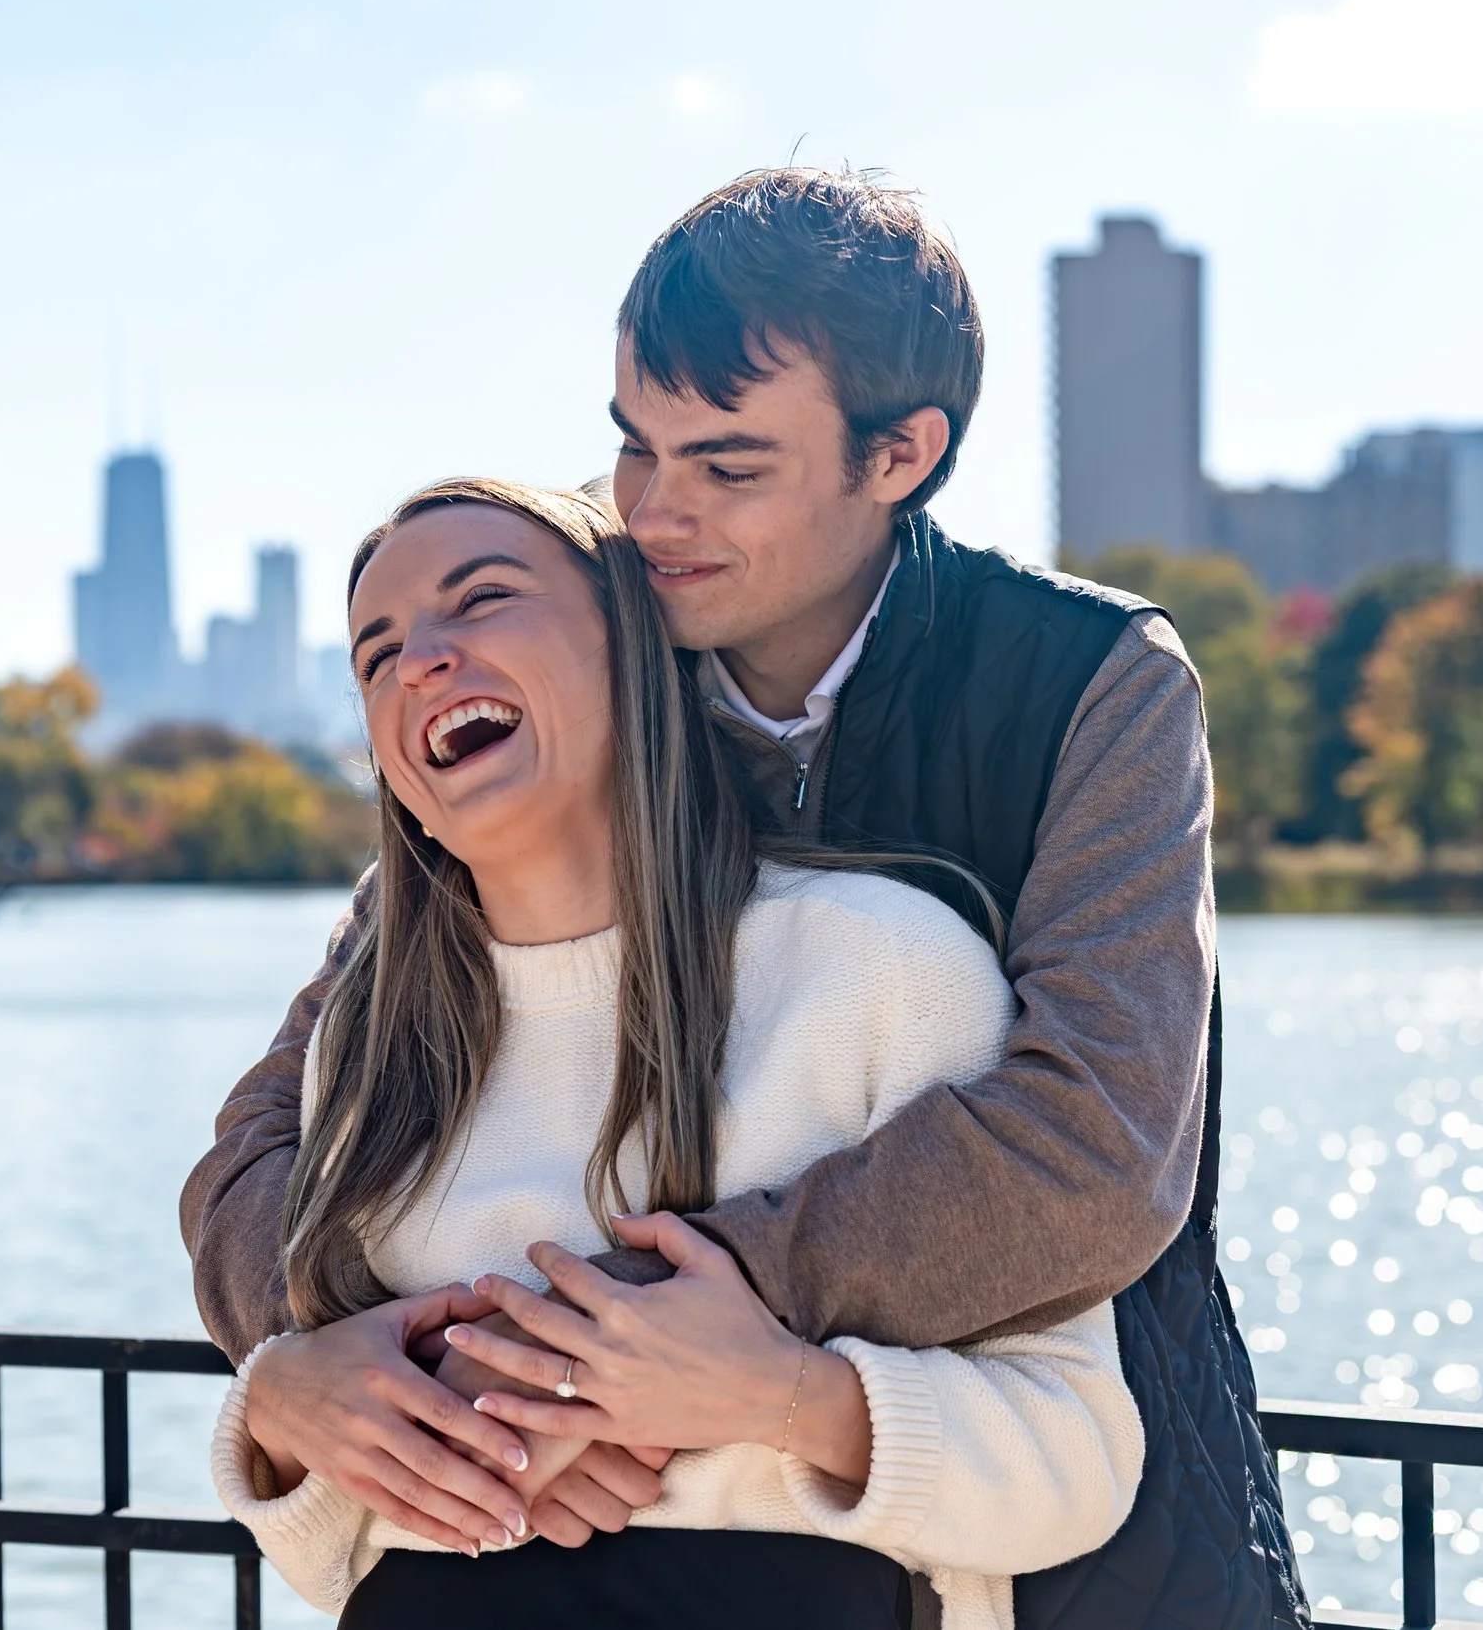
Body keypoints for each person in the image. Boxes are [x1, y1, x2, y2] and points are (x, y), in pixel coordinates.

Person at [184, 168, 1303, 1626]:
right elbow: (275, 1134)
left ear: (898, 453)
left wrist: (643, 1342)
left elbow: (1095, 1145)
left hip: (1067, 1546)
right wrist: (329, 1370)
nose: (655, 511)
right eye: (634, 448)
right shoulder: (586, 661)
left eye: (727, 463)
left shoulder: (1090, 682)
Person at [211, 477, 1143, 1630]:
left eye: (482, 599)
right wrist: (284, 1411)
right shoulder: (367, 1039)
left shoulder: (879, 965)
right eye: (376, 651)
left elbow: (1077, 1461)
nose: (419, 662)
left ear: (637, 651)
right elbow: (350, 1552)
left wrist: (778, 1398)